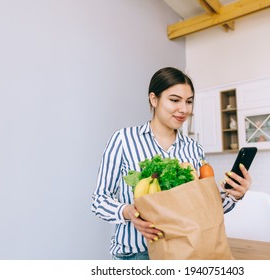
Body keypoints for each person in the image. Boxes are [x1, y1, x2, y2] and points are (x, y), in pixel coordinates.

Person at [91, 67, 252, 260]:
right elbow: (99, 200)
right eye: (174, 100)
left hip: (185, 252)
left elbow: (205, 210)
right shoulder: (123, 140)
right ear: (154, 99)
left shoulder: (194, 149)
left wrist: (234, 196)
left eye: (189, 101)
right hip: (135, 256)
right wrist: (128, 212)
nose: (184, 109)